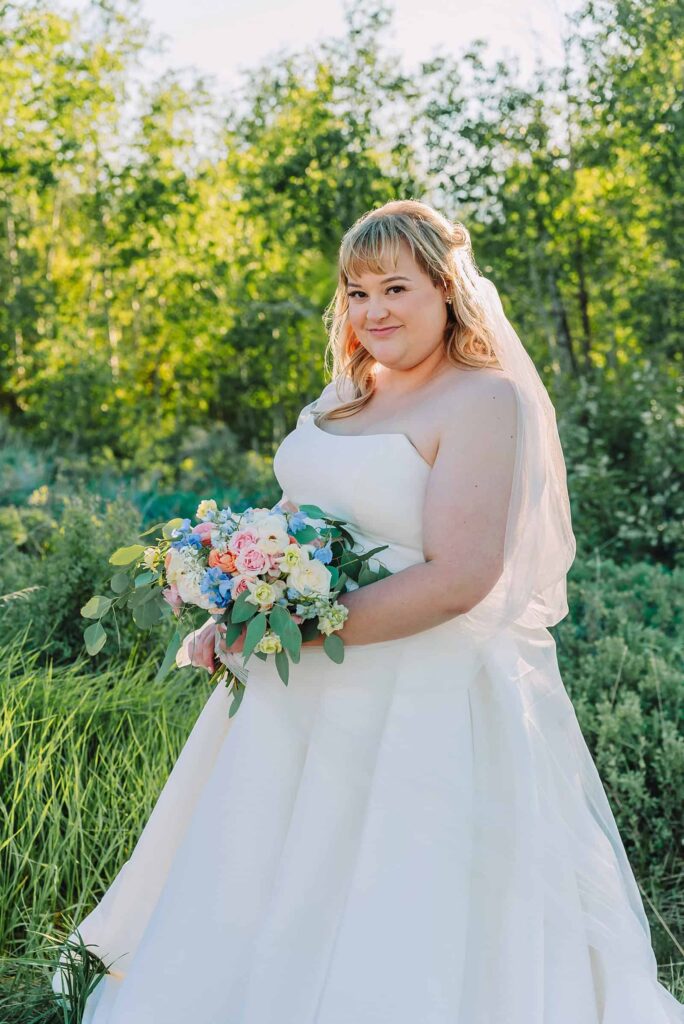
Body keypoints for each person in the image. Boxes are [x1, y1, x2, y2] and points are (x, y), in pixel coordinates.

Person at [52, 199, 683, 1023]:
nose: (373, 310)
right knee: (267, 869)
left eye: (396, 288)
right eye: (356, 292)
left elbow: (463, 577)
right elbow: (295, 515)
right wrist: (239, 603)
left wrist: (310, 629)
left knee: (392, 885)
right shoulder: (350, 389)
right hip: (293, 689)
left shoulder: (484, 401)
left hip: (415, 690)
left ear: (446, 291)